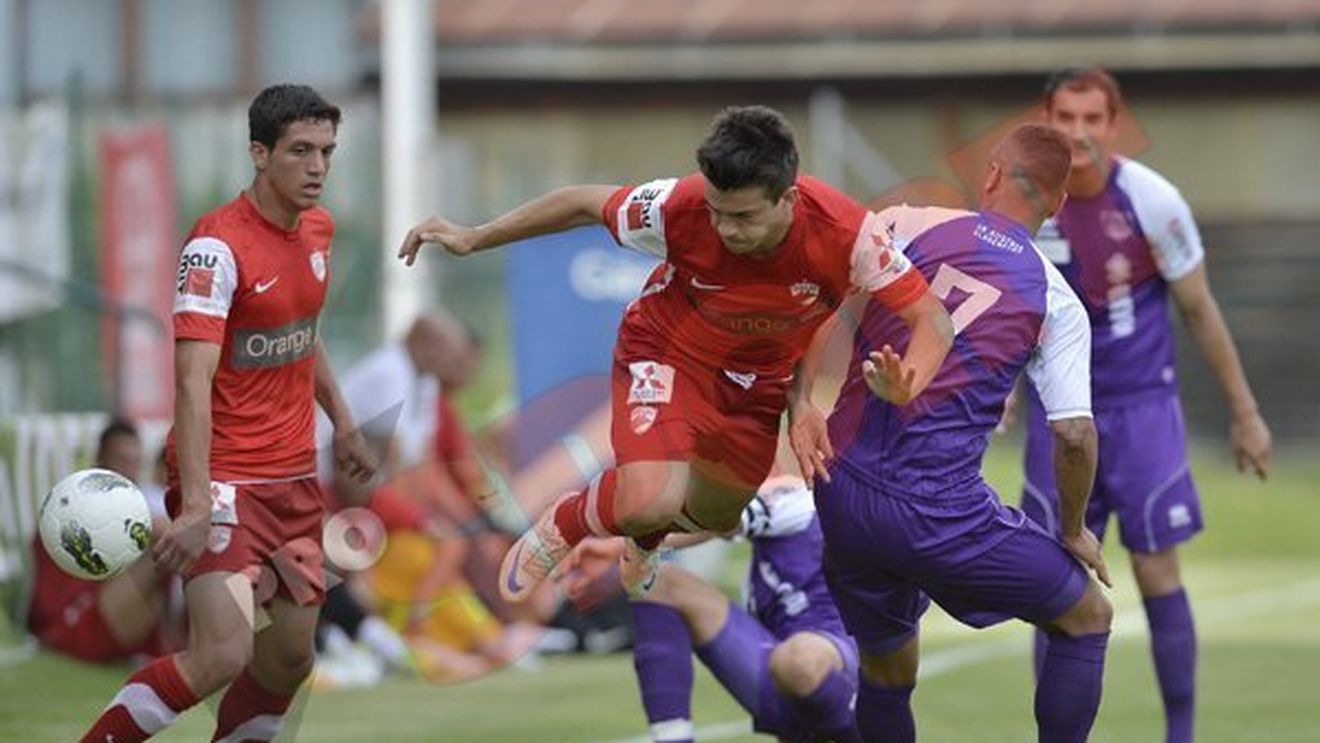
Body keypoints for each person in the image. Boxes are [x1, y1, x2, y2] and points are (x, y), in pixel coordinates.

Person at [398, 105, 954, 603]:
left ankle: (645, 542)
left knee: (717, 515)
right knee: (646, 498)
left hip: (757, 379)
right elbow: (583, 203)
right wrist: (475, 236)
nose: (724, 228)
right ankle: (565, 522)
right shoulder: (680, 205)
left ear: (788, 198)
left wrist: (842, 393)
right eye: (717, 211)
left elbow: (930, 319)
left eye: (742, 217)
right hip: (667, 351)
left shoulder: (849, 235)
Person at [792, 124, 1113, 742]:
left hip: (842, 488)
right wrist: (1072, 529)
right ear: (1059, 205)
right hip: (937, 512)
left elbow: (815, 295)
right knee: (1086, 617)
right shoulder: (1056, 300)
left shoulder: (907, 222)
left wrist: (801, 400)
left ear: (991, 173)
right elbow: (1073, 435)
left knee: (886, 669)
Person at [79, 84, 376, 743]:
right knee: (223, 651)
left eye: (327, 150)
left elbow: (303, 333)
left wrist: (344, 421)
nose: (318, 166)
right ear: (259, 154)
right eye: (300, 151)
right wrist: (194, 505)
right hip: (227, 482)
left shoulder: (320, 231)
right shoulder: (215, 247)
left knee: (291, 657)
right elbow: (191, 382)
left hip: (295, 481)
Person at [1019, 67, 1274, 743]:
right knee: (1055, 579)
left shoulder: (1152, 200)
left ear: (1113, 122)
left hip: (1140, 410)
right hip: (1057, 413)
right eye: (1065, 117)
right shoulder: (1024, 200)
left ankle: (1180, 734)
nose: (1077, 132)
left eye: (1091, 118)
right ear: (1046, 118)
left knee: (1158, 566)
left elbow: (1199, 308)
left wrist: (1245, 412)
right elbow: (1008, 308)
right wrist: (1001, 392)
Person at [567, 475, 861, 743]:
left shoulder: (805, 495)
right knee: (659, 581)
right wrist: (627, 548)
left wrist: (619, 546)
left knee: (799, 660)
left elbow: (721, 519)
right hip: (776, 670)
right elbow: (719, 518)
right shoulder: (789, 494)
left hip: (834, 659)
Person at [29, 419, 175, 664]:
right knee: (170, 549)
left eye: (135, 462)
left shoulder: (135, 505)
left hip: (116, 614)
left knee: (177, 549)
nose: (129, 471)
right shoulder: (74, 505)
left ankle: (209, 644)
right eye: (122, 461)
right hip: (76, 622)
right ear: (99, 459)